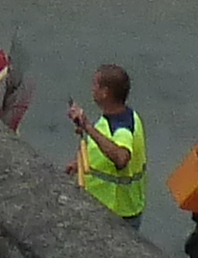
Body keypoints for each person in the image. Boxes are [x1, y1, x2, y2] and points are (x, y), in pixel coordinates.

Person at [63, 63, 148, 221]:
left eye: (95, 84)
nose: (92, 89)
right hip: (106, 205)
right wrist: (78, 163)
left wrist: (87, 127)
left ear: (105, 93)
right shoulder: (121, 117)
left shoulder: (123, 129)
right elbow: (102, 145)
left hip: (116, 211)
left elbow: (121, 158)